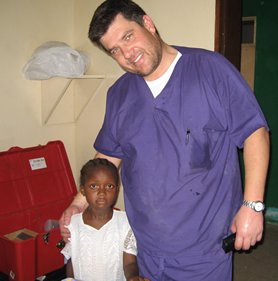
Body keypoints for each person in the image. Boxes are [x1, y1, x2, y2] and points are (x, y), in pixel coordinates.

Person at [59, 0, 270, 280]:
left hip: (202, 248)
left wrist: (252, 206)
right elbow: (108, 155)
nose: (127, 54)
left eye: (128, 37)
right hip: (143, 245)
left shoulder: (210, 70)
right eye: (115, 51)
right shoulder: (120, 93)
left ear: (148, 24)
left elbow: (255, 132)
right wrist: (79, 202)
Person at [61, 158, 150, 281]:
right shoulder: (73, 224)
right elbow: (72, 260)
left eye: (109, 186)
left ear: (117, 189)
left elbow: (129, 262)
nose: (102, 192)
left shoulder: (125, 222)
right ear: (82, 190)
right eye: (94, 186)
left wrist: (132, 277)